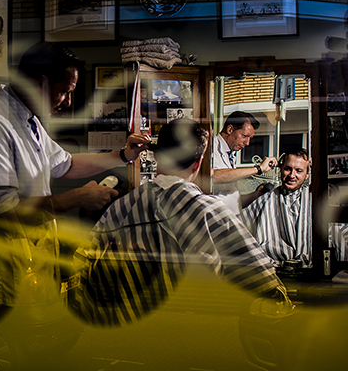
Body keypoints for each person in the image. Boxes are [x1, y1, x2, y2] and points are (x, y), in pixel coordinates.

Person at [0, 41, 149, 328]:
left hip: (29, 264)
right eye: (64, 92)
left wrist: (123, 155)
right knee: (0, 345)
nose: (68, 102)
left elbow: (65, 164)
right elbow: (5, 213)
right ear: (39, 83)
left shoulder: (28, 119)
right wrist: (78, 198)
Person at [68, 119, 290, 326]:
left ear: (156, 157)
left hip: (125, 333)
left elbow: (81, 266)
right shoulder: (210, 212)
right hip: (190, 335)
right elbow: (265, 281)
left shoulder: (121, 207)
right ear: (198, 163)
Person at [239, 149, 312, 268]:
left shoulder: (313, 201)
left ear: (307, 174)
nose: (292, 175)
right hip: (269, 269)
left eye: (299, 170)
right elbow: (237, 231)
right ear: (280, 169)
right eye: (288, 169)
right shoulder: (265, 200)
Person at [211, 111, 277, 215]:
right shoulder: (211, 148)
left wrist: (256, 194)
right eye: (244, 136)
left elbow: (233, 201)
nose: (247, 143)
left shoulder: (230, 154)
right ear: (230, 129)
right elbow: (213, 176)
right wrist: (258, 169)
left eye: (250, 138)